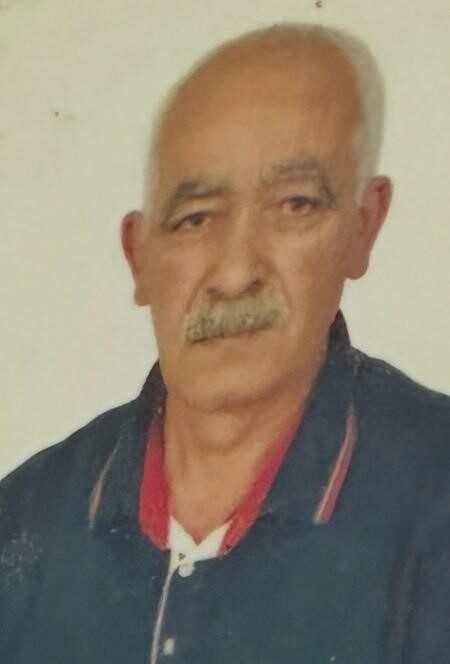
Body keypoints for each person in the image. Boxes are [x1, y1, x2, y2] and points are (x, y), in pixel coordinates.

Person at [1, 22, 449, 664]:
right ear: (138, 256)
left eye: (295, 205)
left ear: (363, 225)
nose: (236, 273)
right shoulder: (22, 520)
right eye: (195, 218)